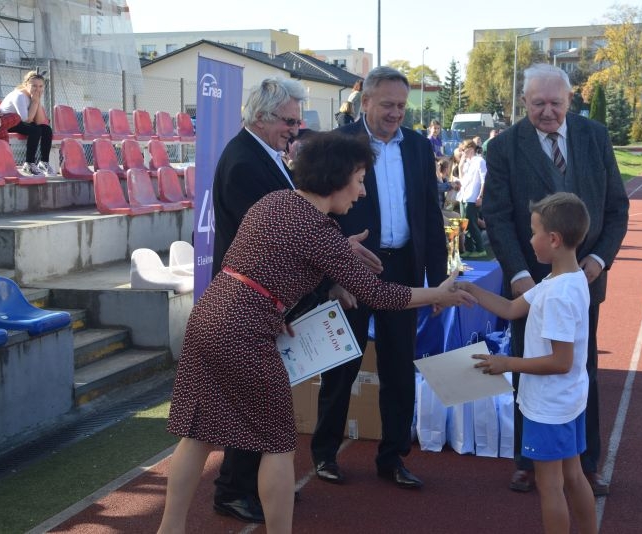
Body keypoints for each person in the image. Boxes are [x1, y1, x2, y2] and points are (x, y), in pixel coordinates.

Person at [157, 131, 475, 534]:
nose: (362, 192)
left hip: (210, 315)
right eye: (360, 180)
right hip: (244, 330)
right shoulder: (319, 231)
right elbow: (379, 294)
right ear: (337, 177)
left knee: (198, 432)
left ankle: (169, 529)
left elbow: (269, 265)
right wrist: (438, 293)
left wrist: (324, 268)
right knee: (277, 443)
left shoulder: (276, 202)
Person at [209, 78, 381, 525]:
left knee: (257, 405)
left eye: (297, 121)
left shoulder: (263, 156)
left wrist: (335, 253)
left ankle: (256, 485)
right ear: (260, 117)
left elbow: (295, 233)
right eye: (288, 121)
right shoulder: (243, 163)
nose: (295, 129)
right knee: (250, 407)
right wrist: (335, 262)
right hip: (247, 305)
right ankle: (234, 489)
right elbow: (282, 241)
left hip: (262, 302)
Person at [481, 63, 629, 497]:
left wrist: (598, 260)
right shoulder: (504, 147)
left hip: (585, 281)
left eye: (555, 103)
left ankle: (585, 462)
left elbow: (617, 208)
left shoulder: (594, 136)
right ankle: (528, 461)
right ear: (524, 101)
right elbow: (497, 216)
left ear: (570, 100)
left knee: (582, 368)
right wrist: (519, 274)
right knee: (528, 368)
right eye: (538, 103)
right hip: (529, 285)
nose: (547, 112)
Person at [310, 66, 448, 490]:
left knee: (399, 367)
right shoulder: (337, 144)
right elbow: (318, 210)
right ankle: (325, 453)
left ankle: (393, 458)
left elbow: (430, 214)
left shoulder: (419, 147)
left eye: (402, 106)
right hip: (350, 268)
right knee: (342, 365)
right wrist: (332, 271)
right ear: (365, 101)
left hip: (403, 268)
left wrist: (437, 282)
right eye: (388, 104)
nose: (396, 113)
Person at [464, 192, 597, 534]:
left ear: (553, 240)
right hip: (568, 399)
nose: (529, 239)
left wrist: (507, 363)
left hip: (549, 405)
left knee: (550, 485)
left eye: (534, 232)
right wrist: (470, 290)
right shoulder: (564, 280)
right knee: (573, 475)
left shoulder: (558, 296)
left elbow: (561, 361)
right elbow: (511, 309)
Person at [0, 70, 57, 176]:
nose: (37, 89)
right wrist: (35, 102)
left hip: (19, 123)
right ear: (26, 85)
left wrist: (37, 101)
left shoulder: (33, 96)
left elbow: (39, 121)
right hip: (7, 123)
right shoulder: (19, 95)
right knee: (35, 130)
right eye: (34, 86)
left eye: (40, 86)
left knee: (47, 129)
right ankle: (29, 164)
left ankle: (44, 162)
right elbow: (26, 119)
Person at [457, 139, 487, 258]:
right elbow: (462, 180)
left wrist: (481, 196)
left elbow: (484, 180)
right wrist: (460, 166)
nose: (462, 152)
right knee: (465, 225)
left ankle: (480, 249)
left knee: (472, 224)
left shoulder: (480, 161)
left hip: (473, 198)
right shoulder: (466, 163)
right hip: (464, 197)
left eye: (464, 149)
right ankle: (469, 248)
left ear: (471, 149)